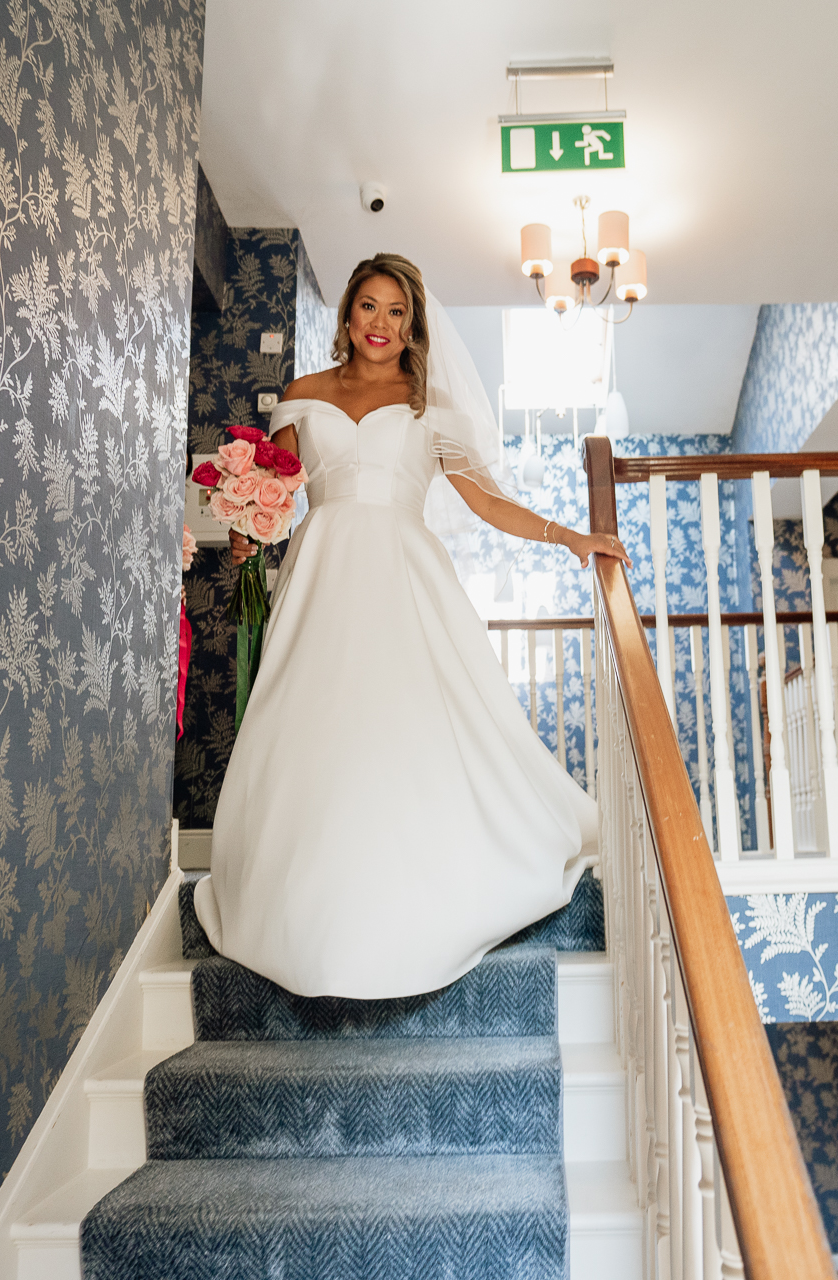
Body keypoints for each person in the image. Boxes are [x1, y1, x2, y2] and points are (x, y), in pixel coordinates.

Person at [193, 253, 629, 1000]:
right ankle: (311, 901)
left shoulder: (429, 407)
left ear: (413, 325)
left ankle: (413, 886)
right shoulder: (301, 396)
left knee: (400, 726)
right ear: (347, 313)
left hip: (402, 575)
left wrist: (573, 538)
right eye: (369, 306)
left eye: (397, 312)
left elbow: (487, 502)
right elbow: (276, 493)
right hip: (321, 576)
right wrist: (245, 529)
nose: (382, 324)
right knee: (318, 728)